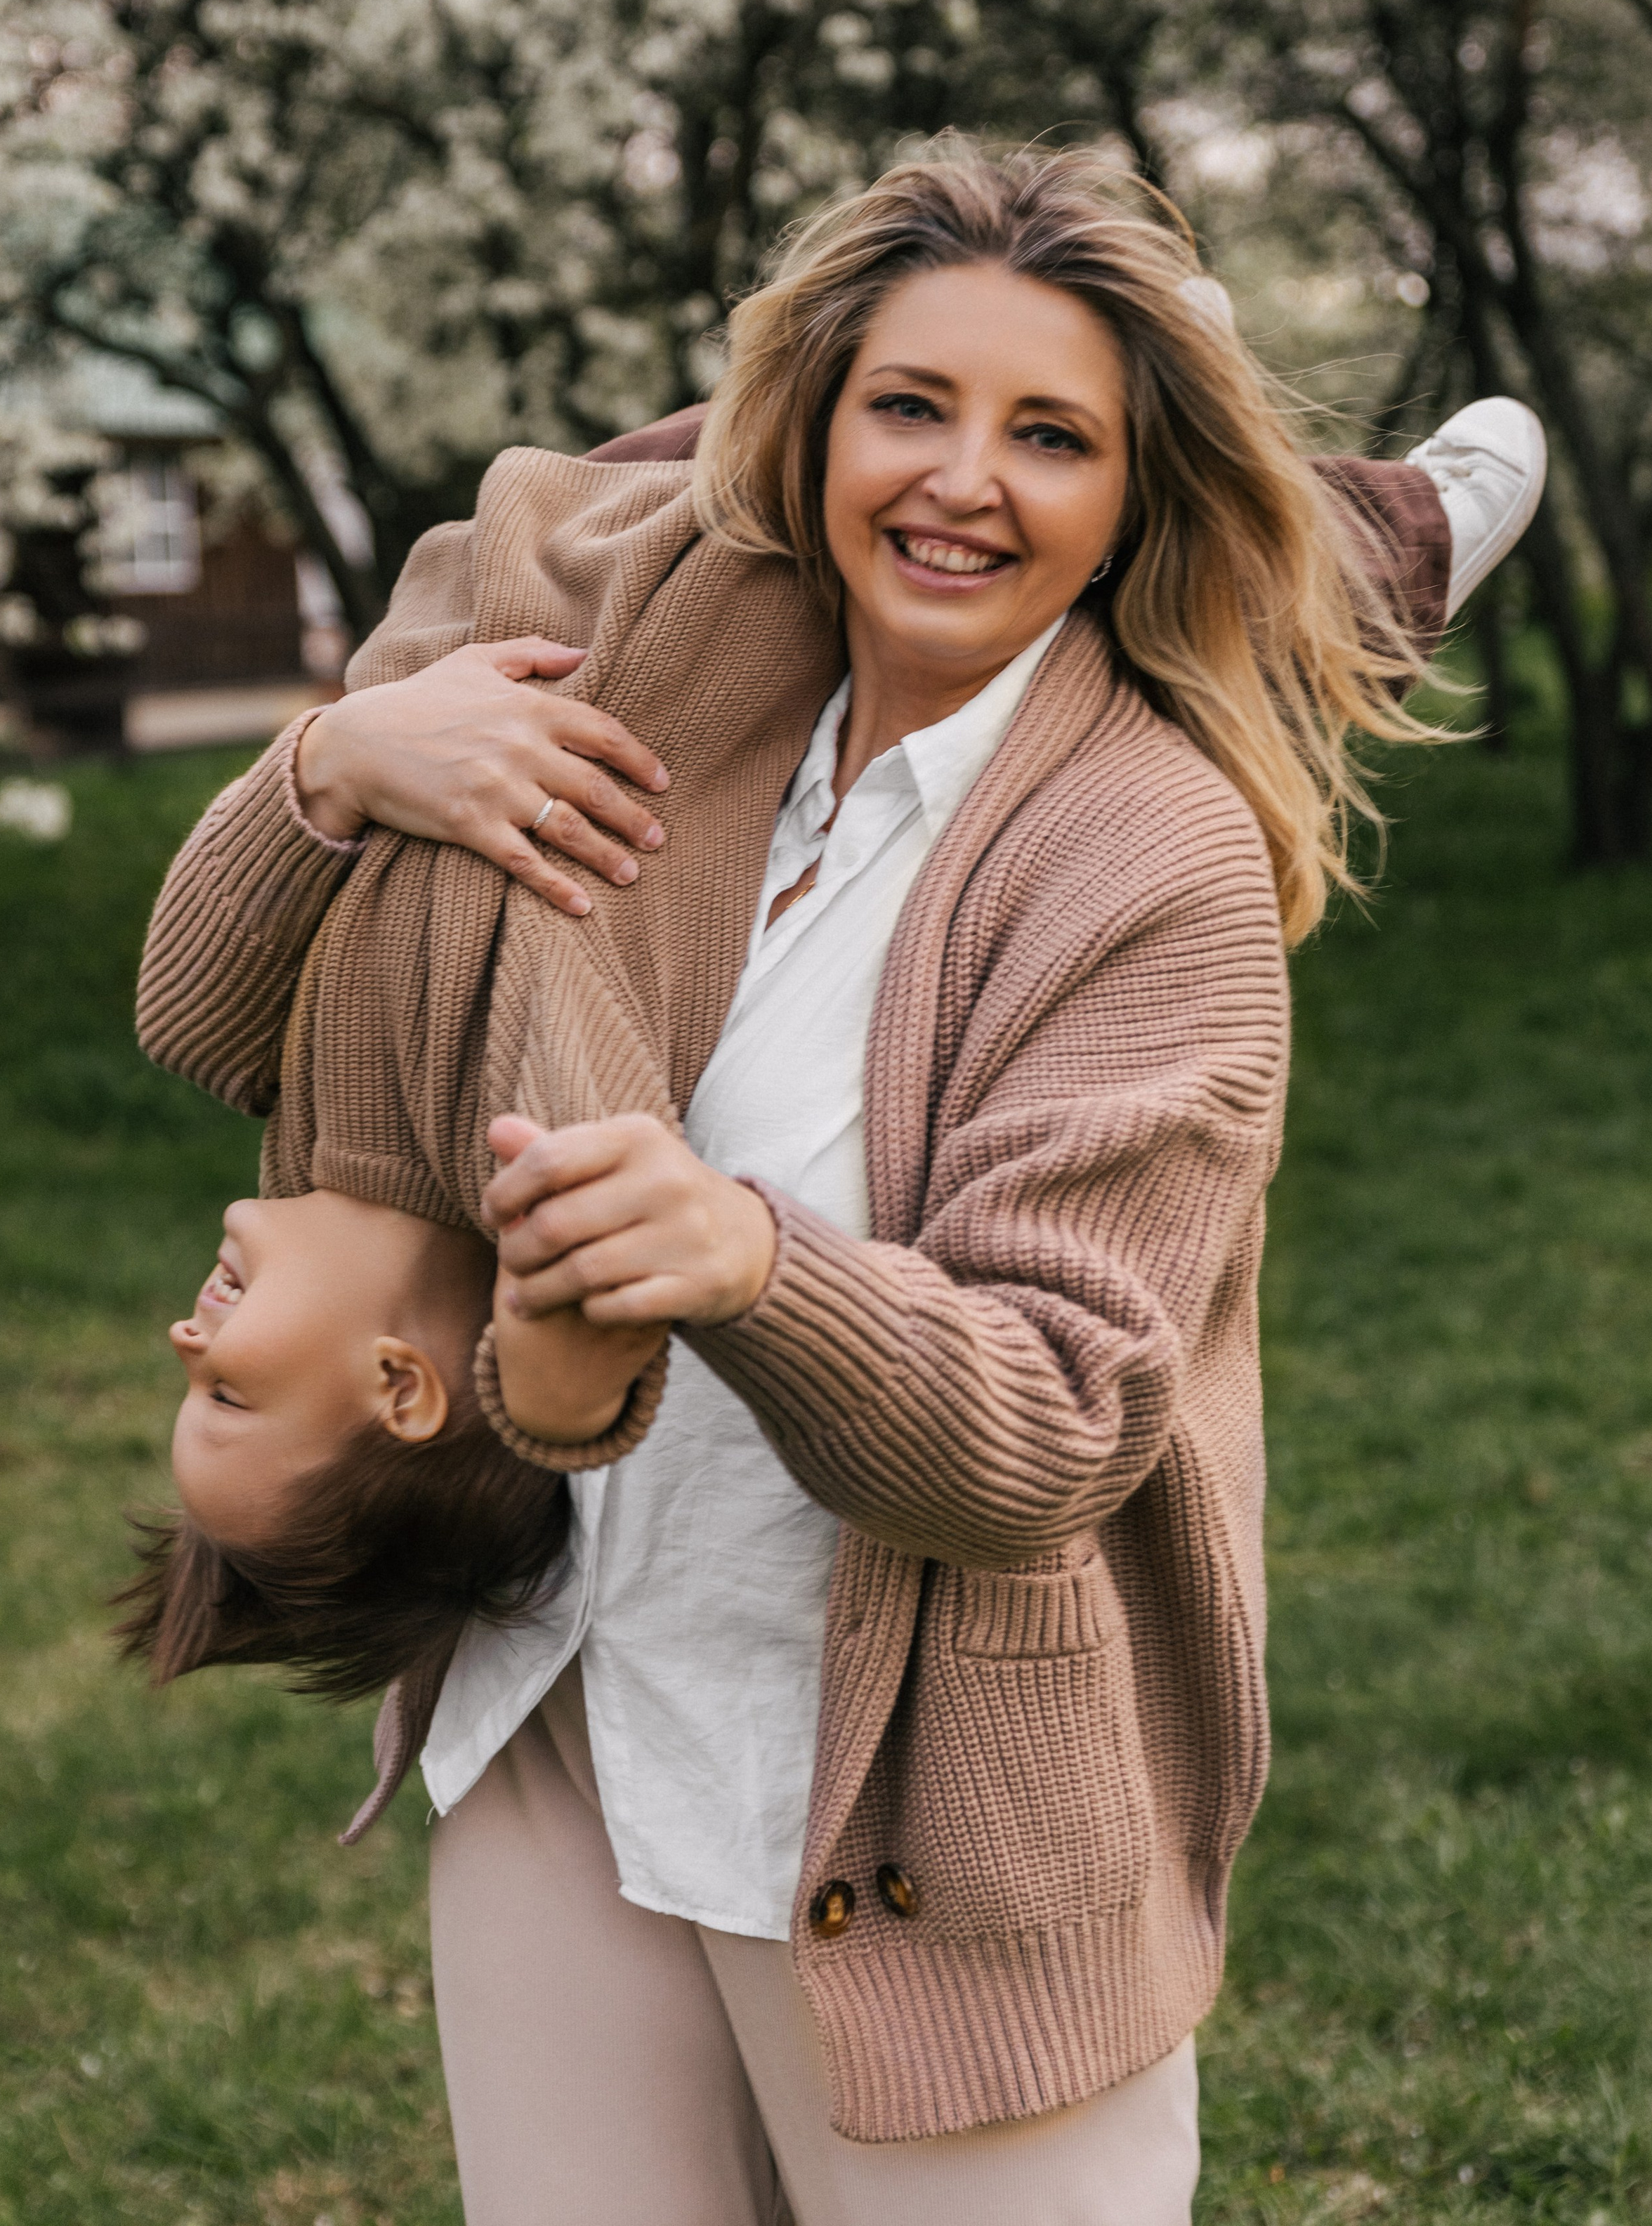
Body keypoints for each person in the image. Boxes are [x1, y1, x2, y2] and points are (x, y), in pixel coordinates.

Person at [133, 143, 1544, 2226]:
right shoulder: (679, 689)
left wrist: (750, 1266)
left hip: (928, 1817)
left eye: (1050, 436)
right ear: (822, 428)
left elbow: (1056, 1423)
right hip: (566, 1713)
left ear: (1130, 492)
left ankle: (1379, 536)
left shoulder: (1144, 859)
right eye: (911, 407)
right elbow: (204, 1019)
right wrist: (339, 768)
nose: (964, 478)